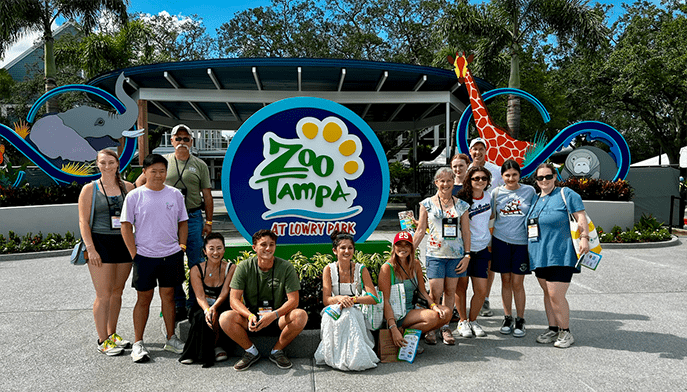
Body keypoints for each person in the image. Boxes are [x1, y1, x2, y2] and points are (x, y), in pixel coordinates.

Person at [136, 124, 214, 320]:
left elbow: (207, 195)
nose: (182, 143)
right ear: (171, 141)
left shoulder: (200, 165)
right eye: (177, 139)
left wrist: (210, 222)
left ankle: (195, 303)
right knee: (174, 262)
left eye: (186, 139)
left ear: (191, 142)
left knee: (196, 261)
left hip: (194, 217)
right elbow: (139, 183)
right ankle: (178, 303)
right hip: (169, 220)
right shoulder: (164, 163)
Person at [121, 154, 189, 363]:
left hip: (171, 255)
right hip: (145, 256)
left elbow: (183, 221)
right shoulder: (135, 196)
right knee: (144, 299)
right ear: (144, 172)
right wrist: (134, 253)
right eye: (153, 171)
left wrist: (182, 246)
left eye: (162, 171)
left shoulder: (175, 194)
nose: (158, 175)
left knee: (169, 297)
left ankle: (171, 338)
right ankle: (138, 343)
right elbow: (125, 225)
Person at [219, 230, 308, 371]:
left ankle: (277, 351)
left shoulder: (286, 267)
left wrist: (274, 315)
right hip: (251, 320)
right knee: (225, 317)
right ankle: (251, 351)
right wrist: (249, 315)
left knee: (300, 315)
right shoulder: (244, 267)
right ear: (254, 247)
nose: (268, 248)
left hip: (277, 318)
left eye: (271, 244)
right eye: (263, 245)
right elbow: (233, 300)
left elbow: (293, 301)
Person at [78, 149, 135, 356]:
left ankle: (112, 334)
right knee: (103, 294)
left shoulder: (127, 188)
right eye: (103, 162)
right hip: (100, 244)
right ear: (98, 164)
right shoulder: (89, 189)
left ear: (118, 164)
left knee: (117, 292)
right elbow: (83, 221)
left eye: (111, 162)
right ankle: (102, 340)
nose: (107, 166)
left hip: (123, 243)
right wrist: (91, 249)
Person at [527, 163, 589, 348]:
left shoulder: (566, 194)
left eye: (548, 176)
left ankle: (566, 332)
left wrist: (584, 237)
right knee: (548, 293)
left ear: (555, 176)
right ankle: (553, 329)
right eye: (540, 178)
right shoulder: (536, 199)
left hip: (561, 254)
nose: (544, 180)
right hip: (539, 254)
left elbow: (581, 217)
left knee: (556, 294)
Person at [413, 167, 470, 345]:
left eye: (449, 180)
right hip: (435, 255)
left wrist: (467, 255)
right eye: (442, 181)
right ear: (436, 183)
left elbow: (466, 232)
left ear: (454, 182)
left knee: (450, 292)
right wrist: (409, 251)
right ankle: (432, 326)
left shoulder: (462, 205)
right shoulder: (426, 204)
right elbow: (421, 230)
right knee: (435, 292)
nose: (445, 184)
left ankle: (445, 326)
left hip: (455, 256)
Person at [314, 231, 380, 371]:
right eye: (342, 248)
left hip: (355, 308)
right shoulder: (329, 269)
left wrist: (353, 299)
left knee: (349, 314)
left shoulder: (361, 269)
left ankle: (354, 357)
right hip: (334, 308)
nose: (346, 251)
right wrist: (339, 299)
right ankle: (336, 357)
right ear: (334, 251)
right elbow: (326, 300)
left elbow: (373, 298)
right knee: (333, 317)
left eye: (350, 248)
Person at [379, 231, 452, 352]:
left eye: (406, 245)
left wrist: (434, 306)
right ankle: (401, 334)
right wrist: (392, 327)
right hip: (394, 313)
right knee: (432, 317)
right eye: (399, 245)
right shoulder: (387, 268)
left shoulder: (415, 264)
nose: (403, 248)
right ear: (394, 247)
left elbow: (422, 292)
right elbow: (385, 301)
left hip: (411, 310)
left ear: (412, 248)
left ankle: (408, 338)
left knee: (446, 313)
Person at [490, 160, 536, 337]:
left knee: (518, 283)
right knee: (505, 281)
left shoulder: (529, 191)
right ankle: (507, 316)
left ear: (520, 175)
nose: (511, 178)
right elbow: (491, 215)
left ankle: (521, 319)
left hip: (521, 244)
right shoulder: (496, 192)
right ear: (502, 176)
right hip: (501, 241)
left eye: (514, 174)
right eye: (507, 175)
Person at [179, 232, 236, 367]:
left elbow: (225, 292)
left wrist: (214, 308)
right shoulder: (196, 269)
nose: (215, 252)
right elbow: (199, 295)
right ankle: (193, 353)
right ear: (205, 251)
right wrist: (207, 309)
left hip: (222, 304)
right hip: (201, 304)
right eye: (211, 248)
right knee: (200, 316)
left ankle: (217, 346)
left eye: (219, 248)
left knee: (218, 314)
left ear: (224, 249)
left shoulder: (231, 268)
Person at [454, 166, 492, 338]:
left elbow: (490, 219)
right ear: (469, 180)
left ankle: (473, 320)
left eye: (484, 178)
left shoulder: (489, 197)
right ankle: (462, 321)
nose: (480, 181)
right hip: (463, 251)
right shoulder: (461, 199)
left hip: (482, 250)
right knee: (461, 287)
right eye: (476, 178)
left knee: (481, 290)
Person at [469, 137, 505, 317]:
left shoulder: (496, 171)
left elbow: (504, 191)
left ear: (485, 150)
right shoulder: (464, 169)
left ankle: (485, 298)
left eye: (481, 148)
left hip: (489, 221)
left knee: (488, 261)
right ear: (470, 151)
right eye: (474, 149)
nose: (477, 152)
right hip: (467, 221)